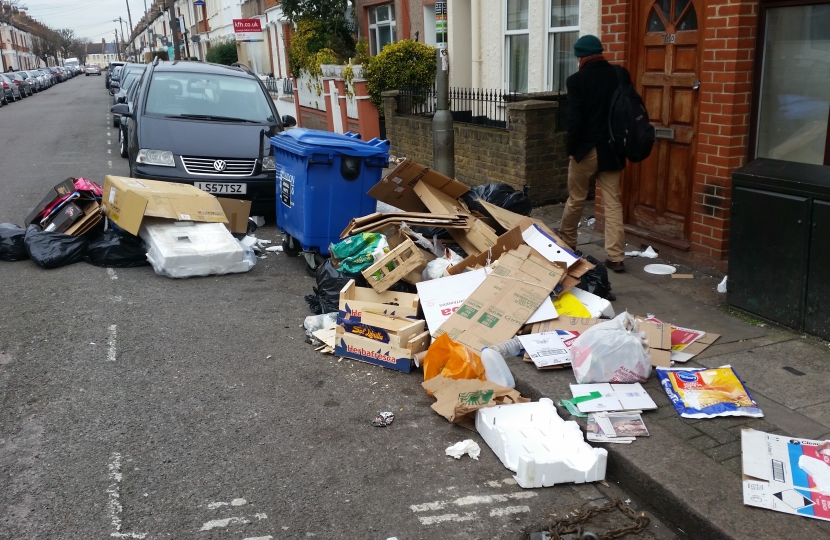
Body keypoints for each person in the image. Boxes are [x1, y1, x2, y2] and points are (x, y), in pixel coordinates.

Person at [560, 35, 628, 273]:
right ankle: (616, 256)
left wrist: (571, 150)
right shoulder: (619, 75)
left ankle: (567, 244)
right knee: (613, 204)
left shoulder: (576, 80)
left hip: (585, 151)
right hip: (612, 150)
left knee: (576, 199)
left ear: (583, 57)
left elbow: (574, 120)